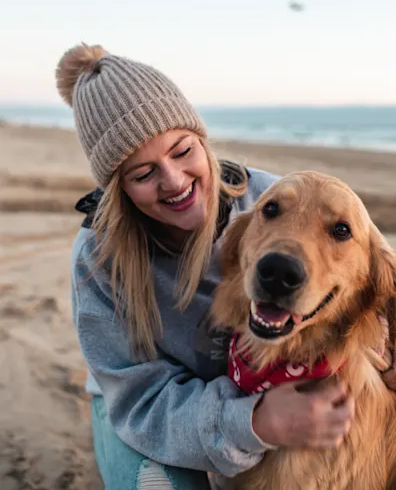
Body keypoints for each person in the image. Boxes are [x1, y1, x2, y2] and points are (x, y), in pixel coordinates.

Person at [56, 43, 395, 490]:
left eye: (183, 151)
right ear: (119, 190)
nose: (174, 182)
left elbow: (375, 267)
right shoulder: (97, 258)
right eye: (142, 173)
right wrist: (255, 422)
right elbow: (140, 402)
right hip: (150, 411)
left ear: (202, 141)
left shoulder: (269, 198)